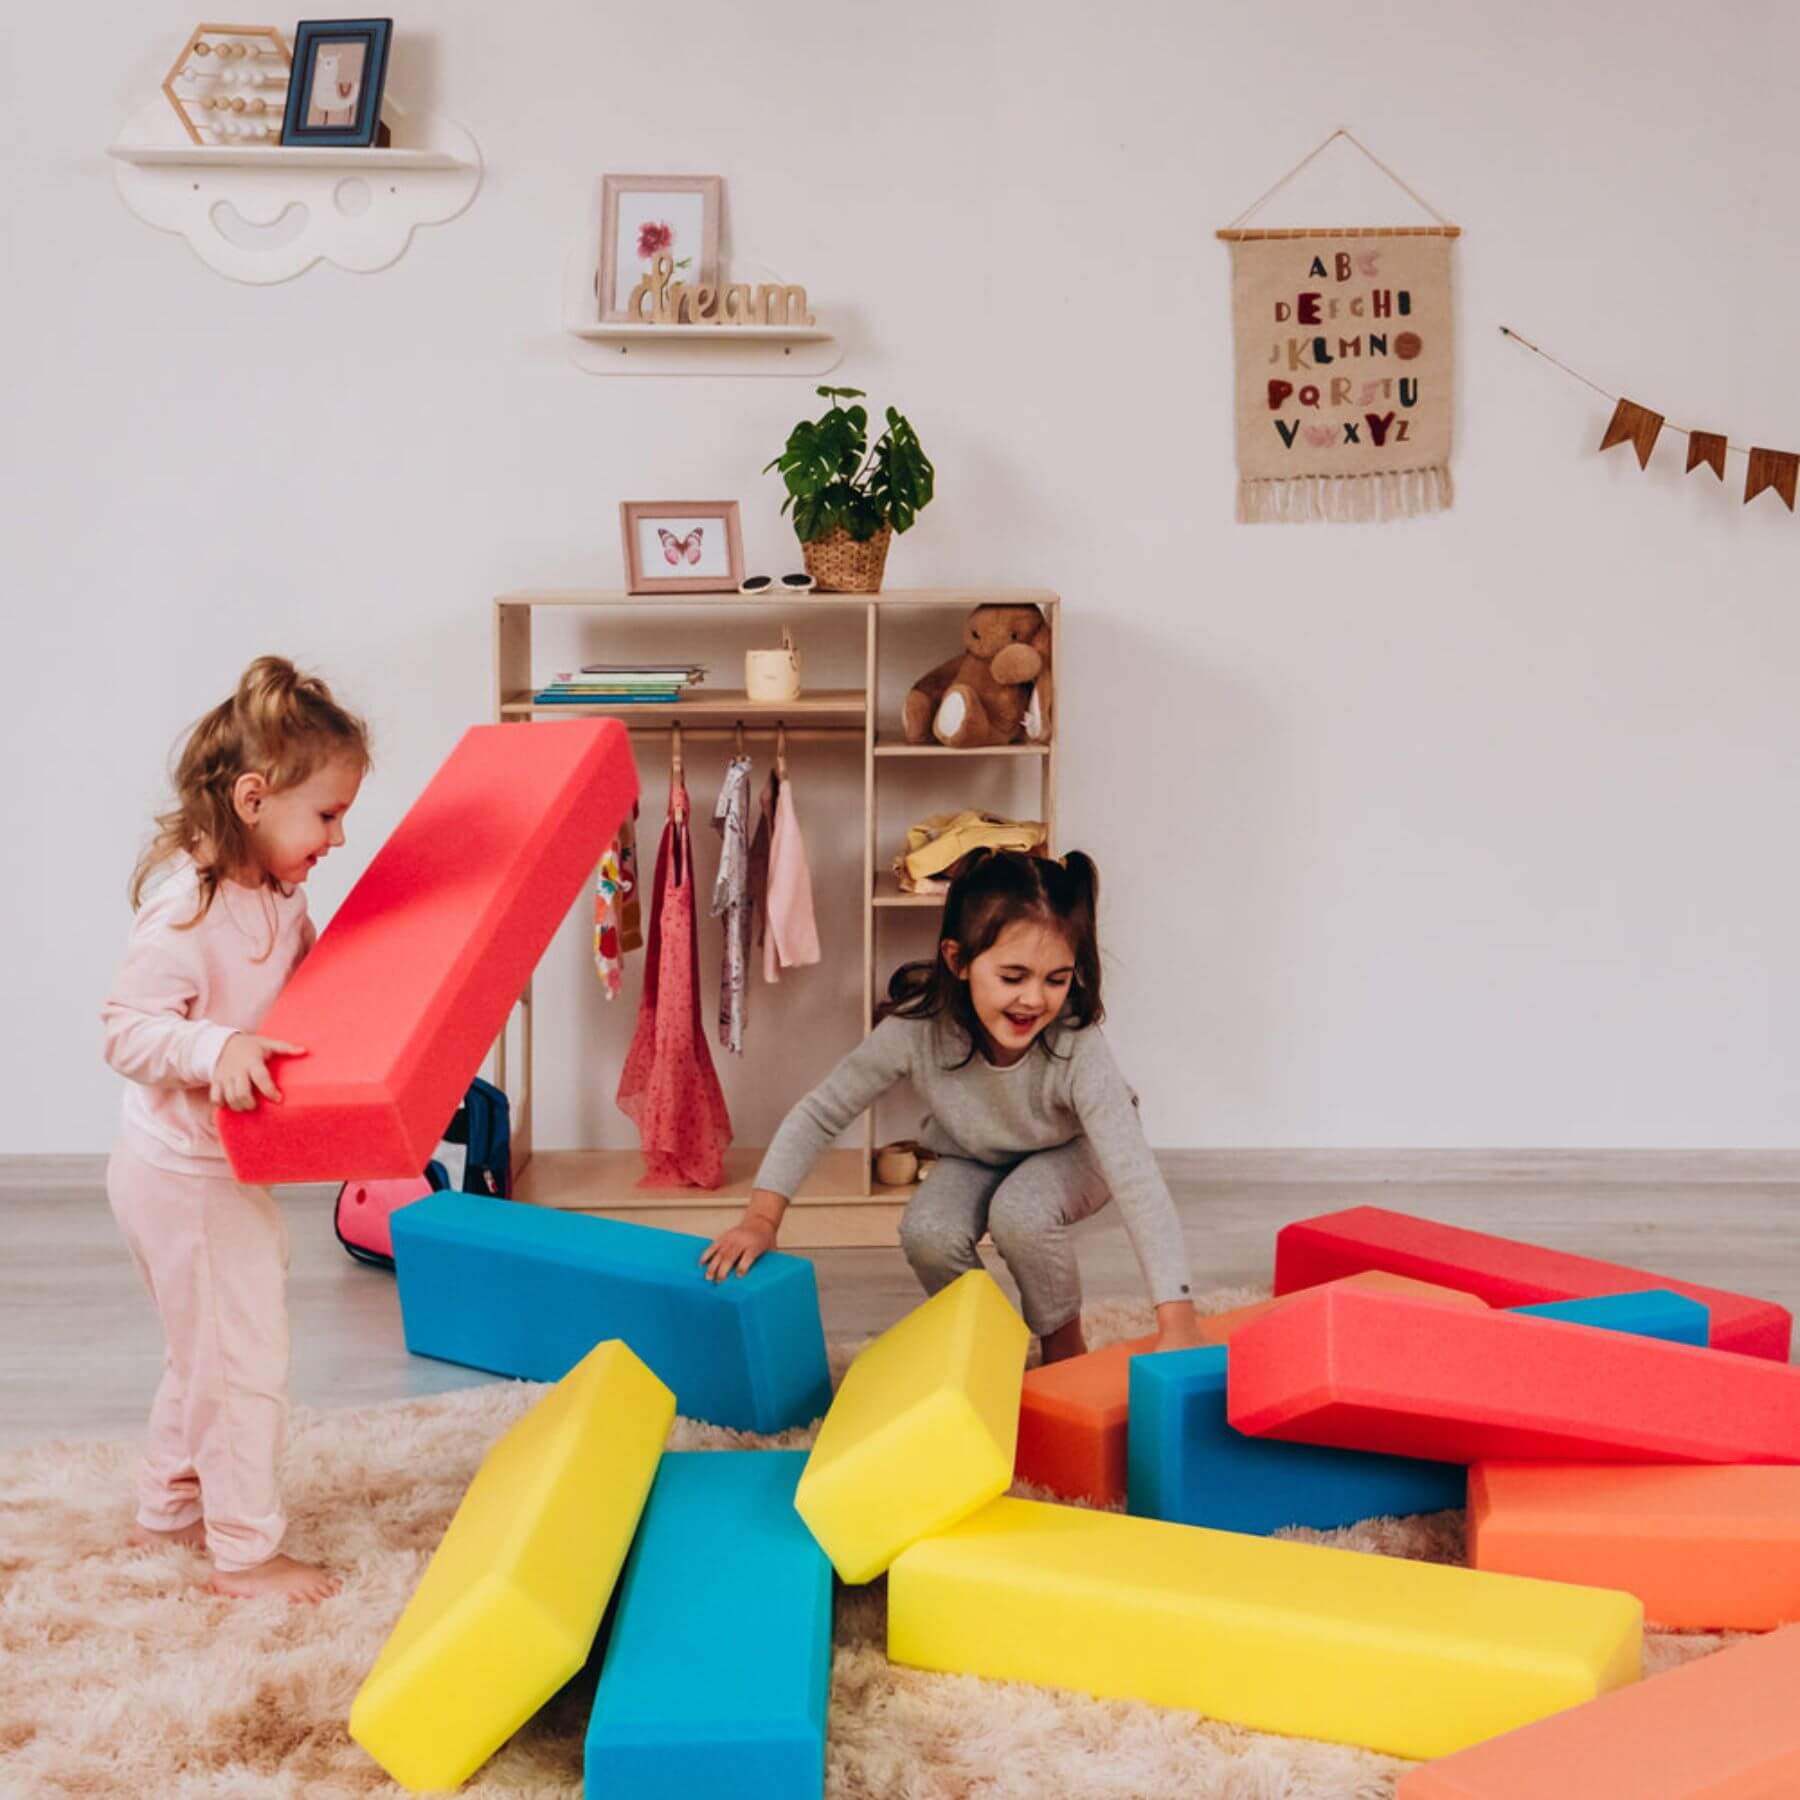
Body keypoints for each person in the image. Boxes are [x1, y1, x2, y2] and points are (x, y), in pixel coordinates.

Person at [700, 849, 1202, 1363]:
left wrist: (1177, 1317)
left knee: (1020, 1214)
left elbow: (1136, 1178)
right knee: (927, 1232)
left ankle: (1062, 1344)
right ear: (958, 960)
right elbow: (819, 1113)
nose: (1034, 999)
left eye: (1056, 979)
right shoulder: (917, 1030)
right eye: (1013, 977)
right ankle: (988, 1340)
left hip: (1077, 1152)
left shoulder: (1076, 1044)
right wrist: (762, 1219)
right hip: (977, 1152)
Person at [101, 655, 369, 1602]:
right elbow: (125, 1030)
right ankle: (246, 1553)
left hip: (216, 1167)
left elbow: (299, 990)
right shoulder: (190, 906)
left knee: (206, 1345)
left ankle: (169, 1510)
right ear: (254, 798)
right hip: (179, 1175)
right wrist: (214, 1048)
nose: (338, 837)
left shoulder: (277, 888)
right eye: (328, 816)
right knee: (242, 1359)